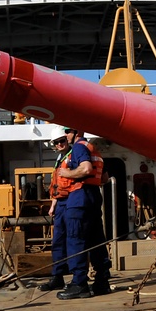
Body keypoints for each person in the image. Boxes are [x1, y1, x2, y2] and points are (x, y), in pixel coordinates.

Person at [54, 127, 109, 299]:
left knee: (75, 239)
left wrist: (68, 173)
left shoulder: (78, 147)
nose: (65, 136)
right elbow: (105, 179)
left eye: (67, 132)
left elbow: (85, 169)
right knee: (96, 240)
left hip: (79, 198)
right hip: (93, 197)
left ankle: (79, 284)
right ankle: (102, 281)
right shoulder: (94, 149)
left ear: (76, 133)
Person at [39, 126, 73, 291]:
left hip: (71, 202)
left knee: (74, 240)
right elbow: (57, 186)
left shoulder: (74, 156)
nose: (59, 144)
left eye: (62, 141)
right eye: (57, 142)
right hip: (60, 204)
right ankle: (57, 276)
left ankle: (77, 278)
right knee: (58, 241)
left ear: (67, 139)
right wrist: (53, 206)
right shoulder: (60, 159)